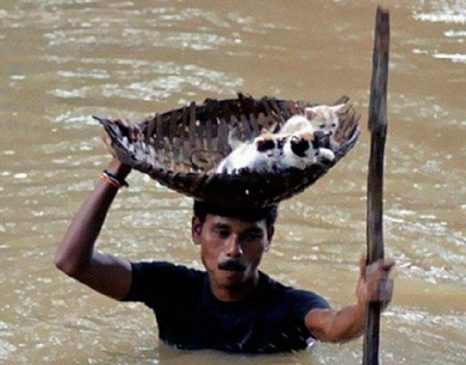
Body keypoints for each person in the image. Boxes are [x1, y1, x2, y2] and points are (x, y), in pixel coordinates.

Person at [54, 123, 395, 354]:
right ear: (196, 230)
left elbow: (334, 327)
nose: (234, 249)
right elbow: (72, 262)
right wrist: (117, 169)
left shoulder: (289, 307)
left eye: (250, 236)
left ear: (269, 238)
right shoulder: (172, 290)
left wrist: (367, 307)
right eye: (221, 232)